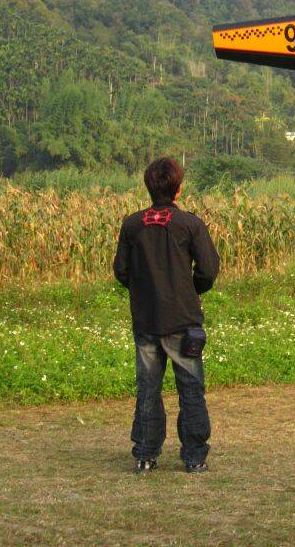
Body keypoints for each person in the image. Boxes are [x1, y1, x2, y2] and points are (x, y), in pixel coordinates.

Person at [113, 156, 219, 474]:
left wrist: (144, 290)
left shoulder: (132, 225)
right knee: (190, 389)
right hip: (184, 320)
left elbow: (121, 271)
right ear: (179, 188)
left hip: (146, 320)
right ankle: (194, 456)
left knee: (148, 388)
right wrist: (190, 290)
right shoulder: (190, 224)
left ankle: (146, 454)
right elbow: (209, 270)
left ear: (148, 186)